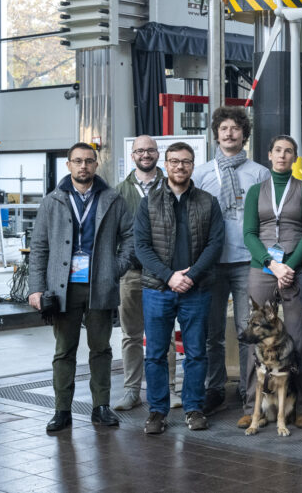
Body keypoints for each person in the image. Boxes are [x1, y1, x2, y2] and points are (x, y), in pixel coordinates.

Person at [28, 143, 134, 432]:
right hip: (62, 289)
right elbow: (38, 247)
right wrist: (36, 288)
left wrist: (114, 269)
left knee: (100, 349)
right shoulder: (52, 201)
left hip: (99, 285)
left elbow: (131, 238)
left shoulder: (112, 199)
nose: (83, 166)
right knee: (64, 350)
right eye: (77, 161)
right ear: (68, 165)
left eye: (88, 161)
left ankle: (101, 407)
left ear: (96, 165)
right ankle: (62, 410)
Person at [134, 142, 225, 435]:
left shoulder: (208, 201)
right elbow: (142, 247)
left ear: (193, 164)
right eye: (174, 161)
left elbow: (215, 244)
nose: (179, 167)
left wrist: (192, 276)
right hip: (158, 290)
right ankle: (157, 411)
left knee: (197, 353)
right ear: (166, 163)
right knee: (156, 354)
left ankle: (194, 408)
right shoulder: (148, 203)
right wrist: (169, 276)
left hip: (196, 290)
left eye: (185, 162)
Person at [193, 106, 270, 415]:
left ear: (244, 134)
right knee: (211, 332)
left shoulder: (259, 173)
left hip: (246, 262)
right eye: (223, 128)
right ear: (216, 134)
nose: (229, 133)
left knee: (246, 328)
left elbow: (266, 219)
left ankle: (248, 389)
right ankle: (214, 387)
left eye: (235, 128)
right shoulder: (200, 173)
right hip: (210, 263)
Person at [240, 135, 302, 430]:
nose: (283, 156)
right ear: (269, 155)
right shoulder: (255, 191)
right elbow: (249, 234)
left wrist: (289, 267)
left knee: (299, 337)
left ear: (295, 158)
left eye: (289, 152)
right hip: (263, 267)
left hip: (295, 267)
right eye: (278, 150)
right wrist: (272, 264)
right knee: (254, 337)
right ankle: (253, 407)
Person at [113, 135, 178, 412]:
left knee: (163, 333)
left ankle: (170, 388)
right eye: (140, 150)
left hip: (164, 273)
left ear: (157, 153)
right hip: (131, 273)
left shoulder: (172, 186)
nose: (145, 154)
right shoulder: (118, 191)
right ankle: (131, 390)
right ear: (133, 155)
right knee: (130, 334)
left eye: (150, 150)